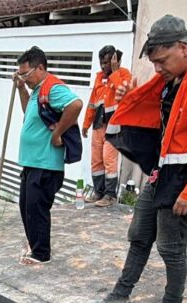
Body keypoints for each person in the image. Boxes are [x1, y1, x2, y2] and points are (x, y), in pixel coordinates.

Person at [87, 15, 187, 303]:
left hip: (185, 179)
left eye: (162, 60)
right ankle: (120, 297)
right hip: (163, 172)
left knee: (171, 246)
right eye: (154, 62)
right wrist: (127, 99)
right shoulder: (177, 77)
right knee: (139, 234)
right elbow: (157, 117)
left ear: (183, 47)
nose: (157, 69)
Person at [13, 46, 83, 265]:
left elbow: (76, 104)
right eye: (21, 74)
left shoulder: (52, 87)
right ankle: (35, 246)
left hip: (46, 164)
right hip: (32, 162)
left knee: (37, 209)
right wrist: (20, 89)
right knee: (26, 206)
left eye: (26, 74)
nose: (24, 78)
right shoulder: (37, 90)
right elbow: (28, 112)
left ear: (40, 68)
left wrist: (58, 133)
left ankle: (41, 253)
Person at [81, 45, 132, 207]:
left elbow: (125, 96)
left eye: (106, 63)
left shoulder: (124, 75)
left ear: (115, 61)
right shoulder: (99, 78)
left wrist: (115, 73)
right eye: (101, 63)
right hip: (98, 125)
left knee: (109, 159)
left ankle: (110, 195)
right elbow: (92, 103)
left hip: (114, 126)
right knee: (96, 160)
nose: (103, 66)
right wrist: (86, 124)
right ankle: (99, 192)